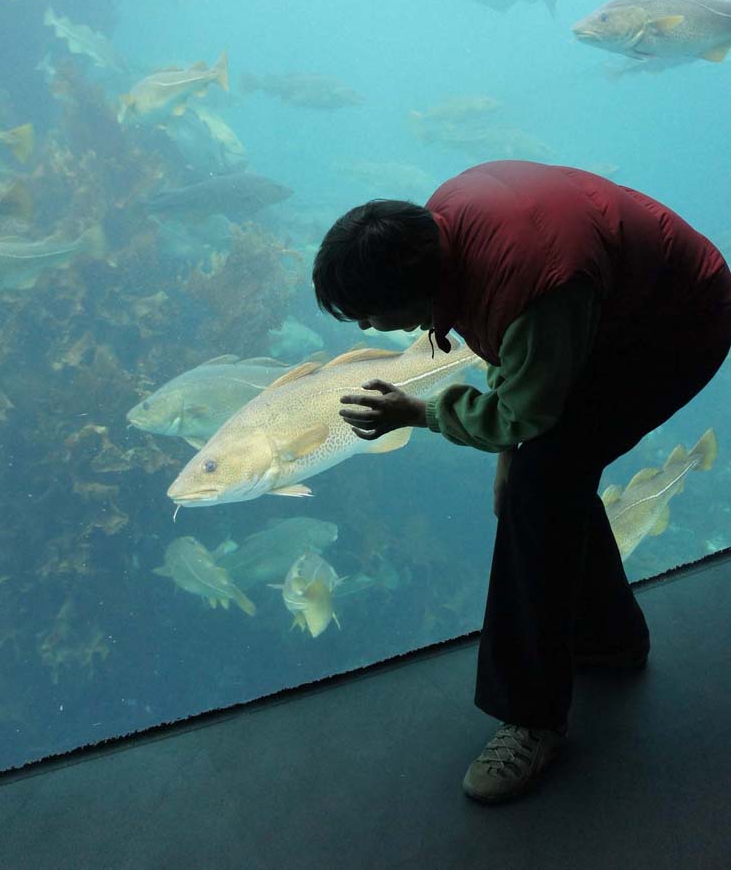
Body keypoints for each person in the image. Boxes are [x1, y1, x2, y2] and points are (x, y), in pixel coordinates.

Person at [311, 160, 731, 805]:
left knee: (540, 487)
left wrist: (421, 413)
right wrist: (511, 443)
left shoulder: (538, 284)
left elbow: (524, 385)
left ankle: (532, 719)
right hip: (604, 311)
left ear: (413, 292)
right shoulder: (441, 227)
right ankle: (610, 641)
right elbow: (508, 337)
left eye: (370, 315)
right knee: (547, 476)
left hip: (675, 326)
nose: (368, 330)